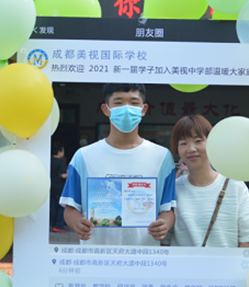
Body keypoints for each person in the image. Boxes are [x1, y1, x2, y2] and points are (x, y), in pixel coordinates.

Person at [60, 84, 176, 245]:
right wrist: (77, 223)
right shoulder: (83, 156)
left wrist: (164, 224)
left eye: (134, 103)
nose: (126, 109)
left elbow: (167, 209)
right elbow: (71, 208)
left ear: (143, 109)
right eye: (118, 103)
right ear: (105, 109)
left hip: (145, 255)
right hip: (96, 255)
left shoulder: (162, 156)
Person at [167, 115, 249, 247]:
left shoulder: (235, 186)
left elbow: (248, 239)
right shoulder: (173, 189)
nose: (191, 149)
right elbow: (164, 241)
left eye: (198, 141)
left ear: (212, 142)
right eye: (183, 143)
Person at [50, 143, 68, 233]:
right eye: (63, 151)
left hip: (51, 187)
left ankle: (53, 224)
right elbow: (63, 175)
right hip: (59, 187)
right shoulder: (61, 163)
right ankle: (58, 225)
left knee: (52, 207)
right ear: (59, 152)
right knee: (61, 206)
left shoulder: (49, 160)